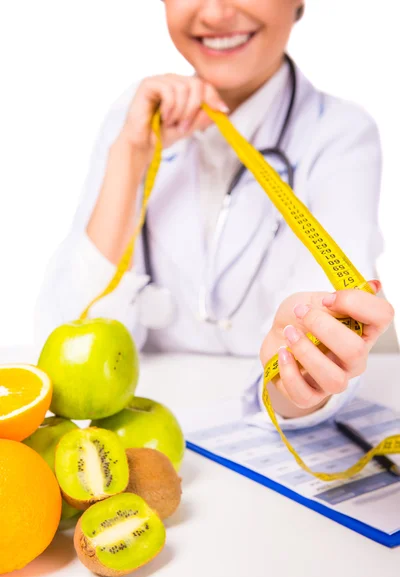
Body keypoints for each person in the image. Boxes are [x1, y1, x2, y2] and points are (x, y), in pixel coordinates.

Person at [35, 0, 394, 431]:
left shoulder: (341, 135)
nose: (217, 12)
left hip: (272, 438)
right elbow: (65, 357)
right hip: (161, 424)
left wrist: (293, 380)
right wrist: (129, 159)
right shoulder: (132, 121)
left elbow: (314, 354)